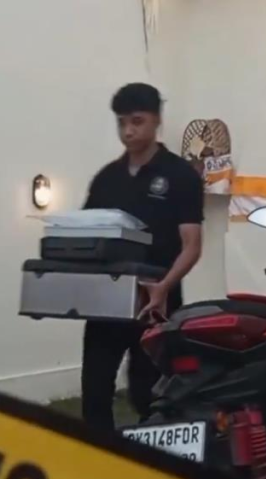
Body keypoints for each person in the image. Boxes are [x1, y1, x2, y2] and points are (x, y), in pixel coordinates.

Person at [80, 83, 204, 429]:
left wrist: (164, 286)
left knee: (149, 393)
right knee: (95, 390)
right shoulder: (107, 178)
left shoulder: (180, 175)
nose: (128, 131)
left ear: (156, 120)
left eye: (137, 121)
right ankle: (98, 452)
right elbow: (88, 235)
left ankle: (154, 454)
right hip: (107, 301)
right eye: (122, 122)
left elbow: (192, 245)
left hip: (156, 302)